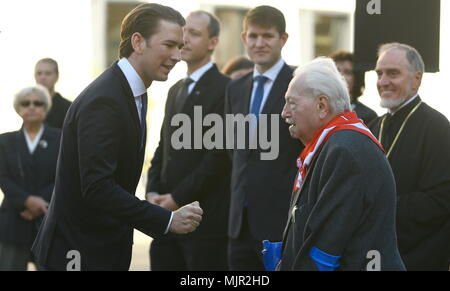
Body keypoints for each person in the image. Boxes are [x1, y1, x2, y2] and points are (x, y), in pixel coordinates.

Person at [31, 3, 203, 271]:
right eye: (169, 45)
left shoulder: (133, 91)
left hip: (101, 248)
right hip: (76, 253)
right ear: (138, 42)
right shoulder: (105, 100)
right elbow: (98, 188)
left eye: (180, 46)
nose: (177, 56)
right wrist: (166, 220)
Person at [278, 57, 405, 271]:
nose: (284, 113)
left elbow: (326, 247)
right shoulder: (337, 145)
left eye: (292, 103)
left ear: (321, 105)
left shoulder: (344, 151)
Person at [146, 10, 231, 271]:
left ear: (213, 42)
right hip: (166, 221)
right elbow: (163, 146)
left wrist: (176, 197)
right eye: (183, 32)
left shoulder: (227, 89)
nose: (185, 38)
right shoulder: (175, 90)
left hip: (205, 224)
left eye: (194, 33)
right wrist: (152, 191)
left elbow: (218, 156)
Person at [225, 5, 303, 270]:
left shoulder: (299, 82)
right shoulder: (234, 87)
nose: (259, 43)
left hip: (280, 222)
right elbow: (233, 150)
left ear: (283, 39)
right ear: (244, 38)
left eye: (268, 36)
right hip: (239, 222)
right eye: (253, 36)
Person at [369, 43, 450, 271]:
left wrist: (377, 209)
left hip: (419, 257)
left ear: (417, 78)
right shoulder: (373, 127)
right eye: (379, 73)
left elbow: (441, 200)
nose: (383, 81)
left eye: (393, 73)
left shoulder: (438, 128)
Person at [0, 85, 61, 270]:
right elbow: (3, 177)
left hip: (49, 219)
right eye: (26, 103)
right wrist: (26, 201)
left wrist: (39, 202)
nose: (32, 107)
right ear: (18, 109)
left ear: (46, 108)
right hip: (14, 220)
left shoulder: (61, 139)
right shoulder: (5, 141)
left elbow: (63, 177)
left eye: (38, 103)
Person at [330, 50, 377, 124]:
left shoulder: (368, 116)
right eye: (336, 71)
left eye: (347, 72)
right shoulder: (319, 111)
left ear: (357, 78)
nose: (340, 76)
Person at [34, 58, 72, 129]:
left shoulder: (68, 108)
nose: (43, 77)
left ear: (57, 76)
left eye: (48, 73)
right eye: (39, 73)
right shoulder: (29, 106)